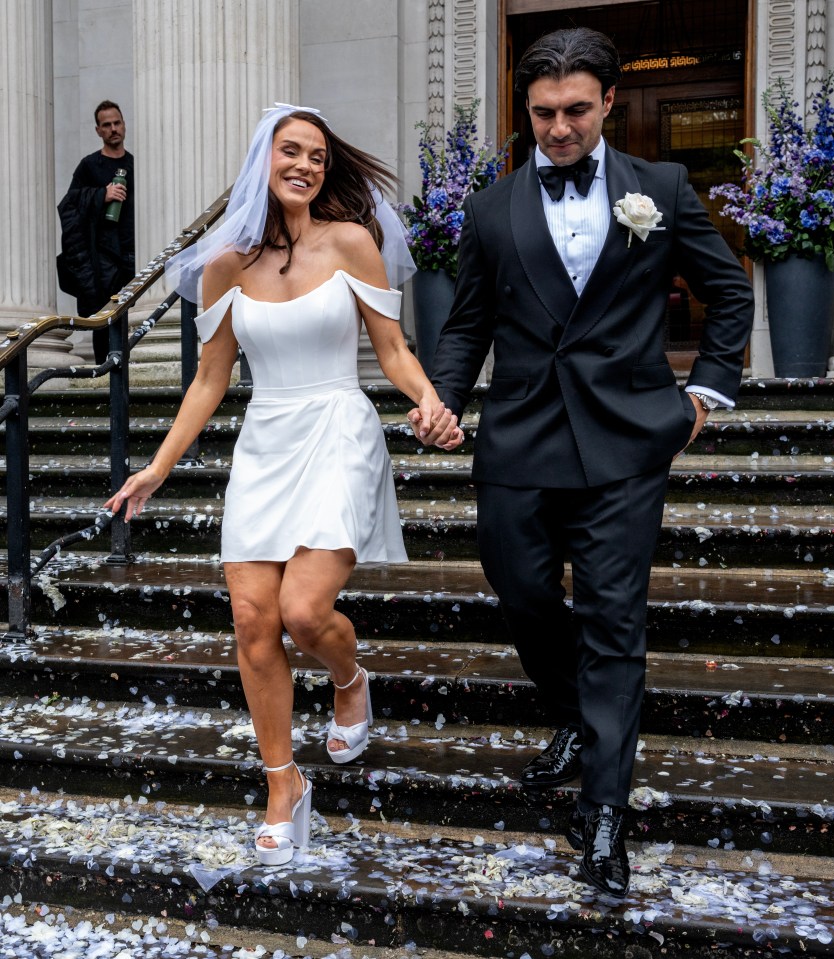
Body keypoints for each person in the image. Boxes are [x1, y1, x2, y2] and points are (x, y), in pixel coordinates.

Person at [413, 28, 754, 898]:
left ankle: (604, 810)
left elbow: (728, 291)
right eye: (541, 114)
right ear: (524, 113)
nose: (557, 129)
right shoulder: (492, 210)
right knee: (518, 582)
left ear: (606, 103)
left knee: (613, 618)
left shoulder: (664, 188)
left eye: (573, 111)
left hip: (627, 440)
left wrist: (705, 393)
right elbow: (467, 324)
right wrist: (443, 395)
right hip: (520, 437)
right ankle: (573, 709)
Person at [105, 103, 463, 867]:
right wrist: (157, 467)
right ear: (261, 160)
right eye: (291, 151)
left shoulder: (352, 243)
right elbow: (208, 380)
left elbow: (392, 350)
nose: (305, 165)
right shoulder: (225, 266)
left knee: (304, 611)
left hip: (338, 426)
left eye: (318, 157)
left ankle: (349, 674)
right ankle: (283, 785)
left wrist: (429, 400)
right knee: (249, 620)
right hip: (266, 438)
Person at [57, 100, 135, 364]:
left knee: (131, 319)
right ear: (98, 130)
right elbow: (68, 205)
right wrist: (102, 195)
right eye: (106, 125)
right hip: (100, 261)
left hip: (132, 255)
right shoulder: (89, 166)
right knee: (103, 320)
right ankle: (106, 374)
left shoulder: (135, 164)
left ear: (124, 124)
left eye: (117, 123)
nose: (113, 129)